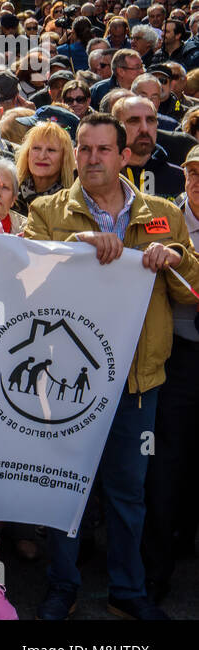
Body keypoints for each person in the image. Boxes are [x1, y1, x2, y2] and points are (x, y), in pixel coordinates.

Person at [24, 112, 199, 621]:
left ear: (125, 156)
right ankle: (63, 586)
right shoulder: (47, 211)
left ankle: (128, 590)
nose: (92, 158)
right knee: (65, 488)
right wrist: (70, 252)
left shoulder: (162, 212)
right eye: (84, 148)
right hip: (64, 382)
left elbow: (191, 288)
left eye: (103, 149)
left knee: (128, 493)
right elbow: (28, 281)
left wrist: (176, 260)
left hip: (137, 382)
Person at [144, 144, 199, 603]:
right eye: (194, 172)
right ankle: (156, 569)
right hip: (177, 357)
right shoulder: (162, 217)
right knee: (167, 464)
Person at [114, 95, 184, 199]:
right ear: (117, 127)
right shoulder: (103, 176)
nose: (144, 129)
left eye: (150, 120)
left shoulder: (180, 179)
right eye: (134, 121)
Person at [15, 120, 76, 213]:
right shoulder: (11, 195)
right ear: (27, 153)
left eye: (51, 150)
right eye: (36, 148)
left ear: (64, 157)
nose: (42, 156)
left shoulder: (74, 201)